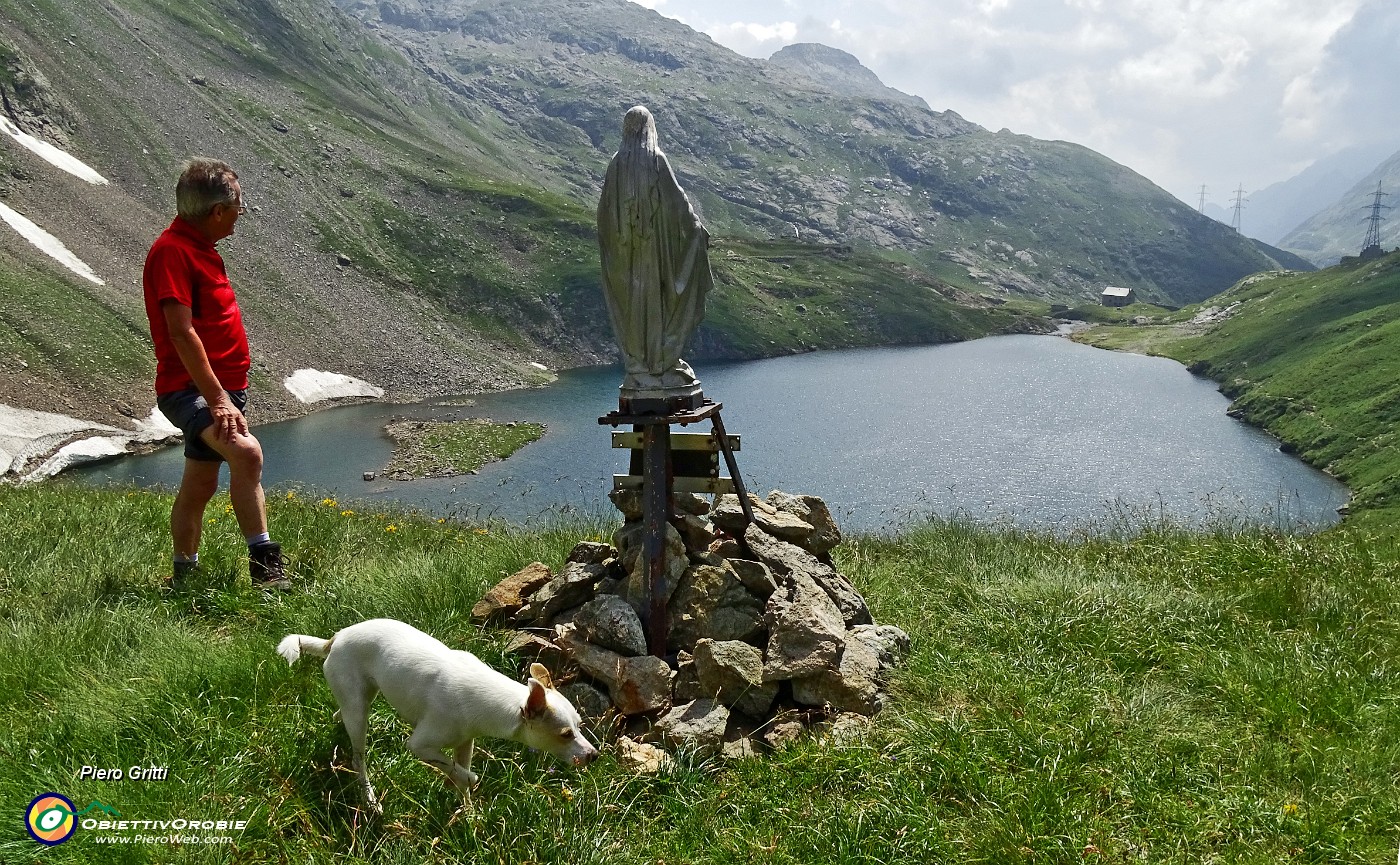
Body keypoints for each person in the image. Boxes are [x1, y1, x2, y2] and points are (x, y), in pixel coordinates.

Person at [142, 158, 289, 591]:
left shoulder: (200, 249)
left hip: (222, 390)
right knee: (247, 454)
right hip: (189, 390)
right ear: (217, 211)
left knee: (201, 483)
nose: (241, 214)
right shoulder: (172, 251)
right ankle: (267, 571)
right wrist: (219, 399)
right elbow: (181, 331)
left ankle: (184, 577)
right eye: (238, 206)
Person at [597, 105, 713, 407]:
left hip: (626, 261)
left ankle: (639, 367)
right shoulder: (655, 160)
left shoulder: (616, 164)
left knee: (634, 310)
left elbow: (604, 215)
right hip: (656, 256)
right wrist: (696, 230)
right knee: (658, 306)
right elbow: (678, 203)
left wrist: (618, 246)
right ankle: (661, 365)